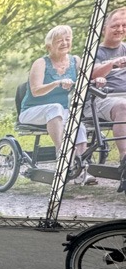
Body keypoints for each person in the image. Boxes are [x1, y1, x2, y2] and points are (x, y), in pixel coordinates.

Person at [20, 25, 95, 185]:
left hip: (61, 112)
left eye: (67, 39)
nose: (64, 43)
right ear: (49, 46)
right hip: (32, 112)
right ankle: (62, 155)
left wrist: (97, 81)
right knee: (56, 108)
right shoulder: (41, 63)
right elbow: (35, 91)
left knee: (78, 124)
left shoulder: (76, 61)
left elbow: (86, 82)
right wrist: (56, 83)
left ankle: (82, 170)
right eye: (59, 40)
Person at [89, 7, 126, 192]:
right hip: (102, 98)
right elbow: (91, 73)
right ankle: (124, 159)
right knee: (123, 106)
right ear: (104, 28)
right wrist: (113, 63)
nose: (120, 29)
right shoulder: (94, 50)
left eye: (124, 26)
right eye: (115, 26)